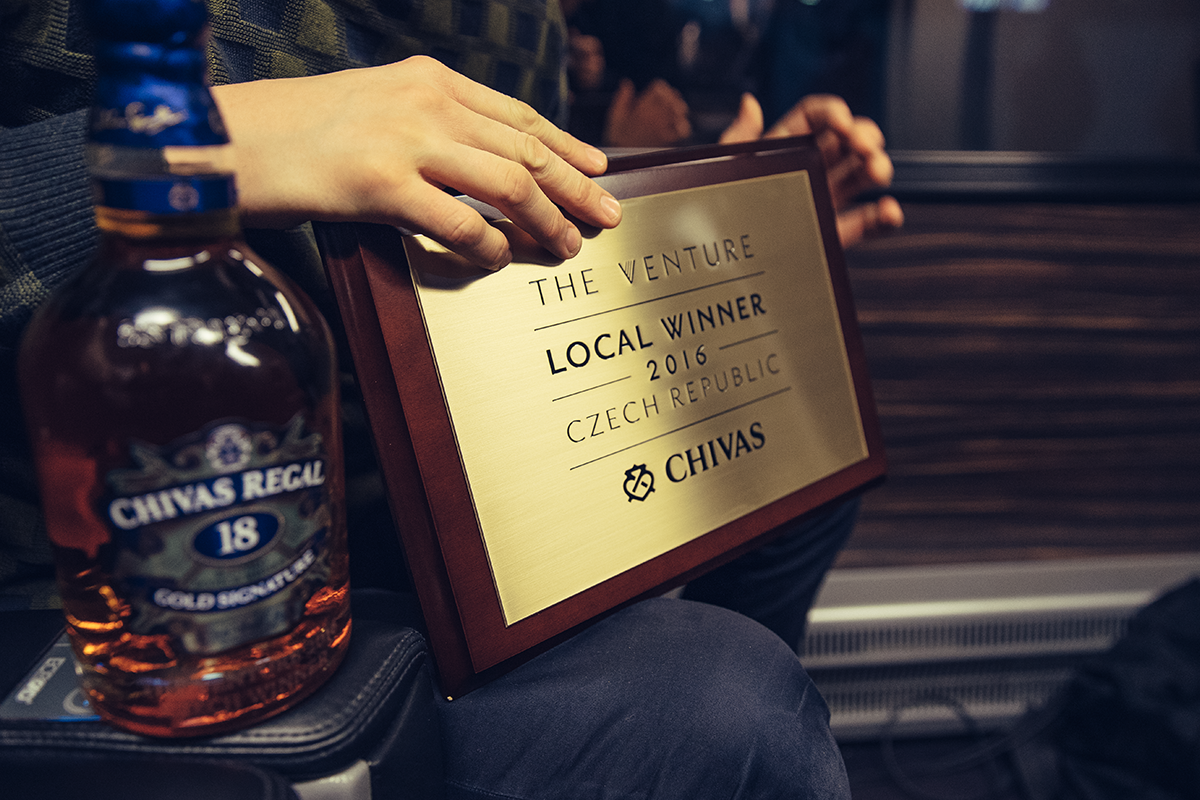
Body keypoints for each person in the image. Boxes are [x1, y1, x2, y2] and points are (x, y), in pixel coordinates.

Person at [1, 1, 902, 797]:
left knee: (798, 457)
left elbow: (495, 240)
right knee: (725, 704)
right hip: (136, 587)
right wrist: (219, 149)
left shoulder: (531, 17)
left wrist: (715, 232)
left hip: (437, 505)